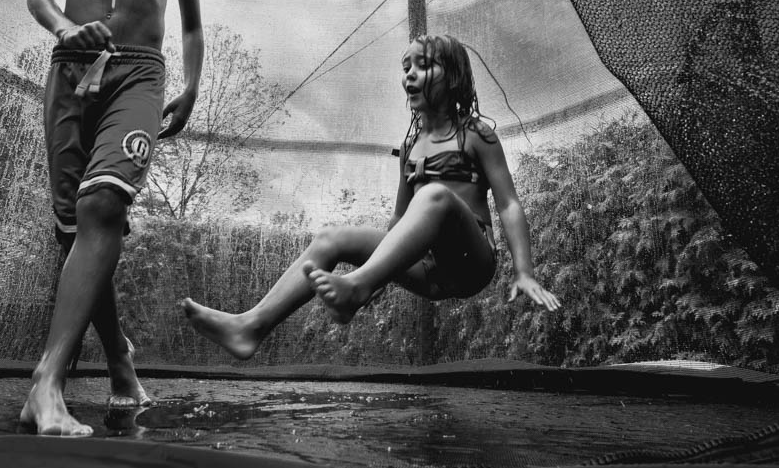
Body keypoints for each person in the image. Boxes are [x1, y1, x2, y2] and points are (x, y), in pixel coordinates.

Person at [182, 33, 560, 361]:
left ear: (454, 77)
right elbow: (398, 225)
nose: (409, 74)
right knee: (332, 237)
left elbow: (508, 203)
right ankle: (251, 326)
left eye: (423, 66)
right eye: (405, 66)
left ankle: (356, 288)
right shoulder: (411, 145)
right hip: (427, 272)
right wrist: (381, 276)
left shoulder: (476, 134)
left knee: (433, 196)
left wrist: (524, 272)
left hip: (471, 262)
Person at [20, 0, 211, 436]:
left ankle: (46, 384)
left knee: (103, 204)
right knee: (72, 231)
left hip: (141, 77)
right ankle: (119, 357)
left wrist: (191, 86)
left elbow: (191, 28)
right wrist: (62, 30)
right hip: (71, 71)